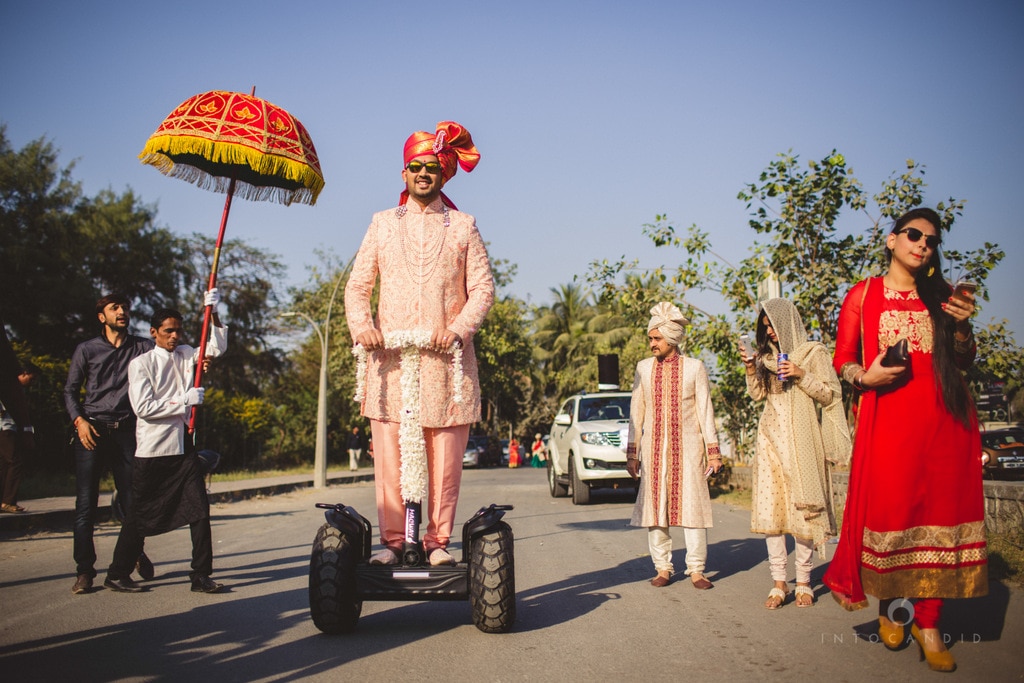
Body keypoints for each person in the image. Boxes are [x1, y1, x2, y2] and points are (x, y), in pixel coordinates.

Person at [823, 208, 986, 673]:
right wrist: (865, 377)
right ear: (892, 240)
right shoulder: (864, 294)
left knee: (939, 515)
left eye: (931, 240)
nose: (922, 244)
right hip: (888, 421)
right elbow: (842, 357)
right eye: (913, 235)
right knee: (894, 514)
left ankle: (929, 623)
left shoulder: (943, 297)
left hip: (944, 421)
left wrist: (961, 326)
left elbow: (963, 360)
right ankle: (894, 603)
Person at [344, 121, 494, 567]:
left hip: (446, 364)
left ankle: (437, 542)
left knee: (445, 461)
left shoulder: (464, 226)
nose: (423, 174)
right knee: (390, 460)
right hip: (391, 362)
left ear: (443, 174)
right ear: (404, 174)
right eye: (415, 167)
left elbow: (483, 289)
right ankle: (392, 543)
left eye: (431, 167)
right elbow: (357, 288)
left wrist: (459, 328)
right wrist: (363, 327)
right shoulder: (382, 224)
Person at [103, 293, 228, 594]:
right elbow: (144, 408)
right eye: (168, 331)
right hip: (152, 450)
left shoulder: (186, 354)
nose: (174, 336)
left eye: (178, 331)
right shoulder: (141, 364)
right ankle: (116, 572)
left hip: (182, 447)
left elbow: (217, 347)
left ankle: (200, 574)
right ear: (153, 333)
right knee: (139, 516)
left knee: (199, 510)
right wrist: (184, 399)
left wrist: (213, 312)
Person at [741, 298, 851, 609]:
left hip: (803, 441)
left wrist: (802, 374)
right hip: (770, 442)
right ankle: (779, 583)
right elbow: (757, 394)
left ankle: (803, 581)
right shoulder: (766, 358)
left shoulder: (813, 353)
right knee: (772, 513)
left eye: (773, 326)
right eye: (765, 328)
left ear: (787, 323)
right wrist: (751, 367)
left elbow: (830, 394)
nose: (770, 333)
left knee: (805, 510)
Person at [626, 302, 723, 589]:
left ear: (672, 338)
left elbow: (705, 410)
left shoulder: (695, 368)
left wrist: (713, 452)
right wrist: (633, 453)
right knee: (656, 510)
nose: (652, 344)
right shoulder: (644, 369)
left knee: (693, 508)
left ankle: (696, 569)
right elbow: (636, 412)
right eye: (651, 338)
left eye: (656, 339)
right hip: (653, 449)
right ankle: (663, 567)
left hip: (689, 449)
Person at [64, 294, 156, 594]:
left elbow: (172, 360)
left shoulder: (142, 347)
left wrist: (200, 361)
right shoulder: (86, 349)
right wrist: (80, 422)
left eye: (125, 307)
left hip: (127, 431)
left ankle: (130, 557)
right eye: (114, 308)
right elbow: (69, 391)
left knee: (134, 502)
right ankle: (84, 572)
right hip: (91, 430)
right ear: (102, 317)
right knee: (85, 505)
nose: (122, 312)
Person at [0, 319, 34, 514]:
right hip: (5, 422)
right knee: (14, 460)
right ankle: (7, 500)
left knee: (5, 461)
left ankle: (5, 500)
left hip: (8, 421)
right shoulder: (10, 378)